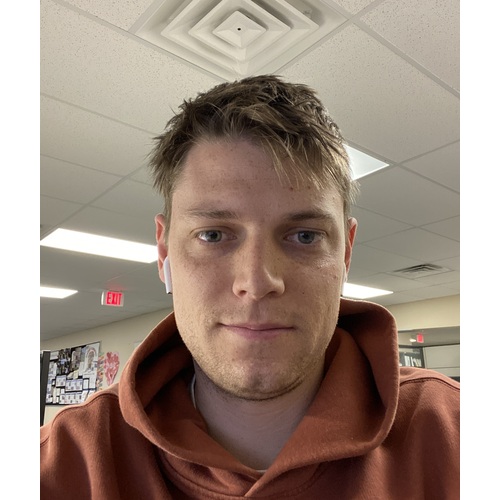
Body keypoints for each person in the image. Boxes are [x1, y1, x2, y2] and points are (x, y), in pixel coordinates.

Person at [40, 75, 459, 499]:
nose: (257, 282)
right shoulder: (61, 463)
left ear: (346, 252)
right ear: (164, 250)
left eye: (305, 236)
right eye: (213, 235)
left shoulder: (454, 434)